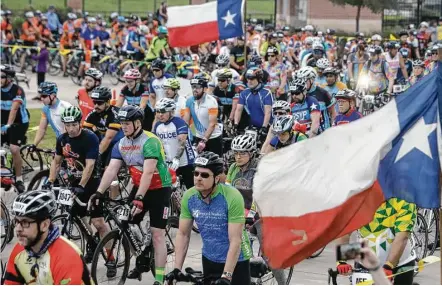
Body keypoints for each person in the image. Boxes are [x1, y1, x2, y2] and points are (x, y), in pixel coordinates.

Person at [88, 105, 173, 283]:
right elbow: (111, 169)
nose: (123, 127)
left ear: (137, 123)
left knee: (157, 234)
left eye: (127, 123)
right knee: (125, 223)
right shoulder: (121, 144)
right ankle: (141, 258)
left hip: (159, 188)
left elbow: (149, 173)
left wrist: (139, 198)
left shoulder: (150, 141)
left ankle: (159, 278)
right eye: (121, 123)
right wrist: (98, 192)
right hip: (139, 185)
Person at [42, 106, 113, 274]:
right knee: (78, 219)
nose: (71, 128)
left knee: (98, 222)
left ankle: (111, 258)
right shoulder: (62, 139)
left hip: (93, 182)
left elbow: (90, 166)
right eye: (67, 125)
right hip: (74, 183)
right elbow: (57, 162)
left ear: (79, 123)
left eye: (74, 124)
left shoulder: (90, 138)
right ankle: (91, 243)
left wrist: (81, 186)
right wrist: (50, 181)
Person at [166, 151, 252, 285]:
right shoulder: (189, 196)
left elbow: (235, 240)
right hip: (209, 258)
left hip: (237, 260)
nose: (198, 178)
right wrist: (177, 268)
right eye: (196, 173)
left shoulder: (232, 196)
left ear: (217, 178)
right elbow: (183, 234)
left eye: (204, 175)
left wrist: (227, 276)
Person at [4, 190, 94, 285]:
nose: (18, 229)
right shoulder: (19, 250)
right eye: (16, 221)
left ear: (44, 225)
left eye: (25, 222)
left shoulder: (67, 257)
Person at [336, 198, 417, 285]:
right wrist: (342, 261)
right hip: (365, 260)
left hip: (400, 263)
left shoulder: (405, 200)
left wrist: (389, 265)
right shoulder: (359, 198)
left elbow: (402, 237)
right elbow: (345, 230)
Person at [153, 98, 195, 189]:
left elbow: (182, 143)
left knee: (191, 188)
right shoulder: (157, 125)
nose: (160, 115)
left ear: (171, 112)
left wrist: (176, 158)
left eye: (163, 112)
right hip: (168, 162)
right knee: (169, 189)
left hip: (185, 161)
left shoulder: (179, 122)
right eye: (158, 111)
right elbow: (157, 144)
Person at [1, 65, 29, 193]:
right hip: (3, 121)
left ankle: (19, 179)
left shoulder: (18, 90)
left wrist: (8, 125)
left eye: (2, 77)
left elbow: (14, 109)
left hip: (18, 123)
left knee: (13, 148)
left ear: (9, 78)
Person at [83, 86, 124, 169]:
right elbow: (84, 134)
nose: (96, 106)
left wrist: (96, 155)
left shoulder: (114, 115)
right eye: (94, 102)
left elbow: (108, 138)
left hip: (119, 143)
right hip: (105, 142)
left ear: (108, 102)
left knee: (107, 169)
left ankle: (114, 181)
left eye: (99, 103)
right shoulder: (93, 114)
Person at [183, 74, 223, 156]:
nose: (194, 90)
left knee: (215, 166)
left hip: (213, 138)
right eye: (193, 87)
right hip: (198, 137)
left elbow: (212, 123)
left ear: (204, 89)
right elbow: (186, 121)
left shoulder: (211, 101)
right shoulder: (189, 101)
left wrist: (204, 140)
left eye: (197, 87)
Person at [234, 67, 273, 142]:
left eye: (252, 79)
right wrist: (236, 124)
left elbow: (268, 112)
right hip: (252, 126)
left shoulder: (266, 92)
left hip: (267, 125)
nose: (249, 81)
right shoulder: (244, 93)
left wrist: (264, 127)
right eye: (247, 79)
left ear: (259, 79)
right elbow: (238, 110)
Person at [31, 82, 72, 149]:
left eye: (44, 96)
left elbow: (69, 129)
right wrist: (34, 145)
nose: (41, 99)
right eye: (40, 96)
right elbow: (42, 129)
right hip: (60, 140)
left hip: (71, 141)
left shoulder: (66, 107)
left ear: (53, 95)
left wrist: (62, 145)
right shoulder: (45, 109)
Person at [297, 66, 335, 133]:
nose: (302, 83)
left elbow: (332, 113)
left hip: (324, 131)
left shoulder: (323, 92)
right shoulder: (298, 94)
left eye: (304, 80)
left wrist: (333, 129)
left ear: (312, 80)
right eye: (300, 80)